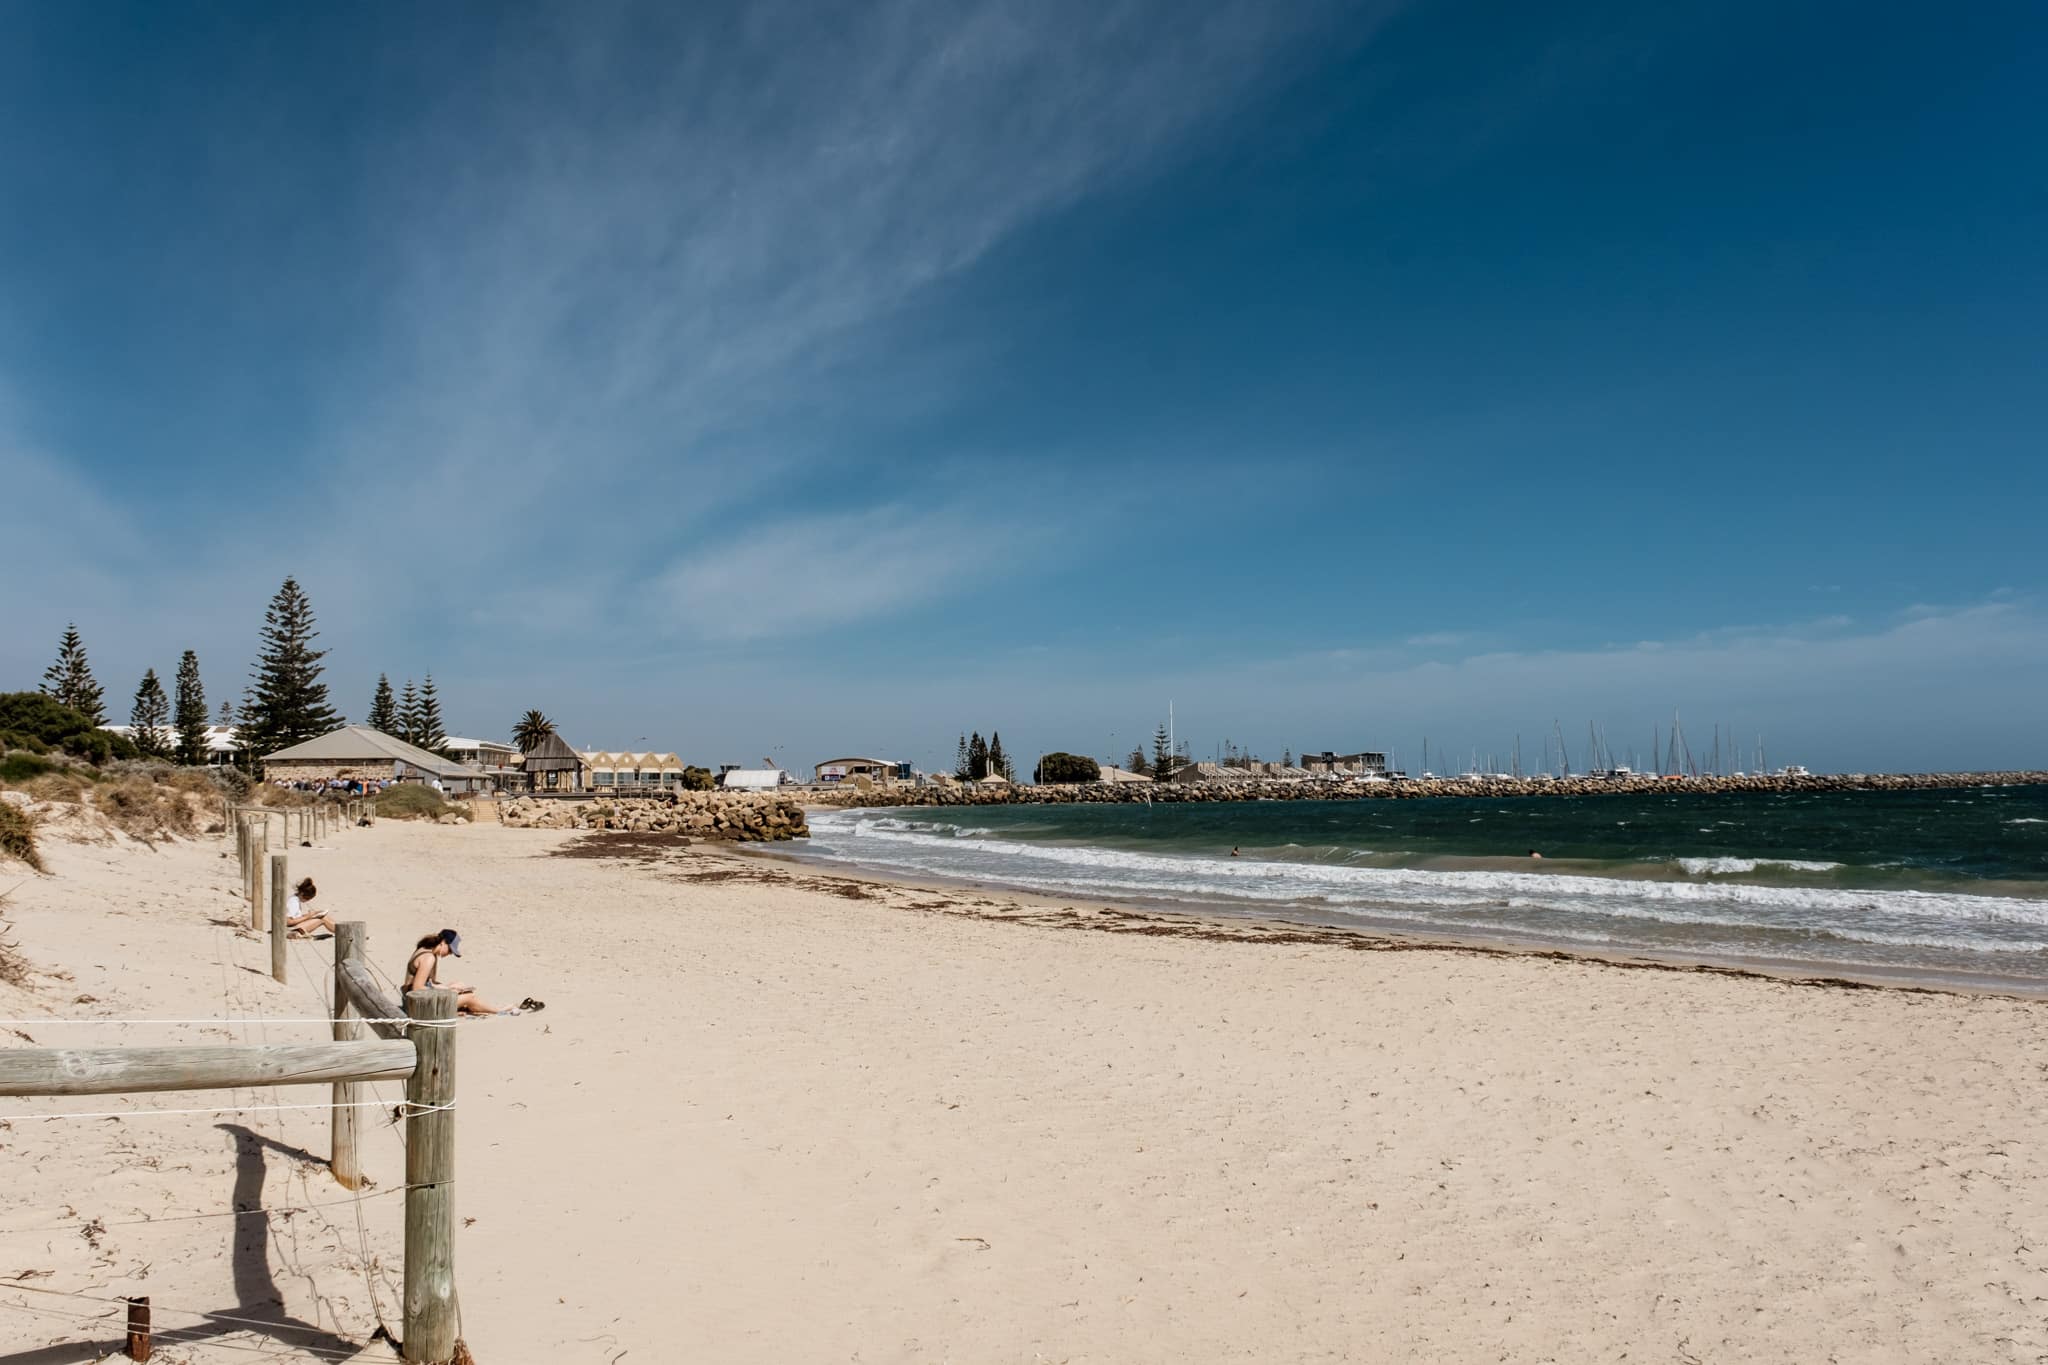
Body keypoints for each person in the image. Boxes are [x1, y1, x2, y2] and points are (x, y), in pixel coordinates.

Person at [405, 929, 543, 1016]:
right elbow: (418, 988)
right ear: (442, 943)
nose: (450, 954)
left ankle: (476, 1007)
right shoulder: (429, 958)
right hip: (418, 1007)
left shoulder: (425, 950)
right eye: (450, 950)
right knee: (470, 997)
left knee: (459, 985)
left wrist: (450, 988)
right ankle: (501, 1012)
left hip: (415, 1002)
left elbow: (427, 984)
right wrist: (448, 991)